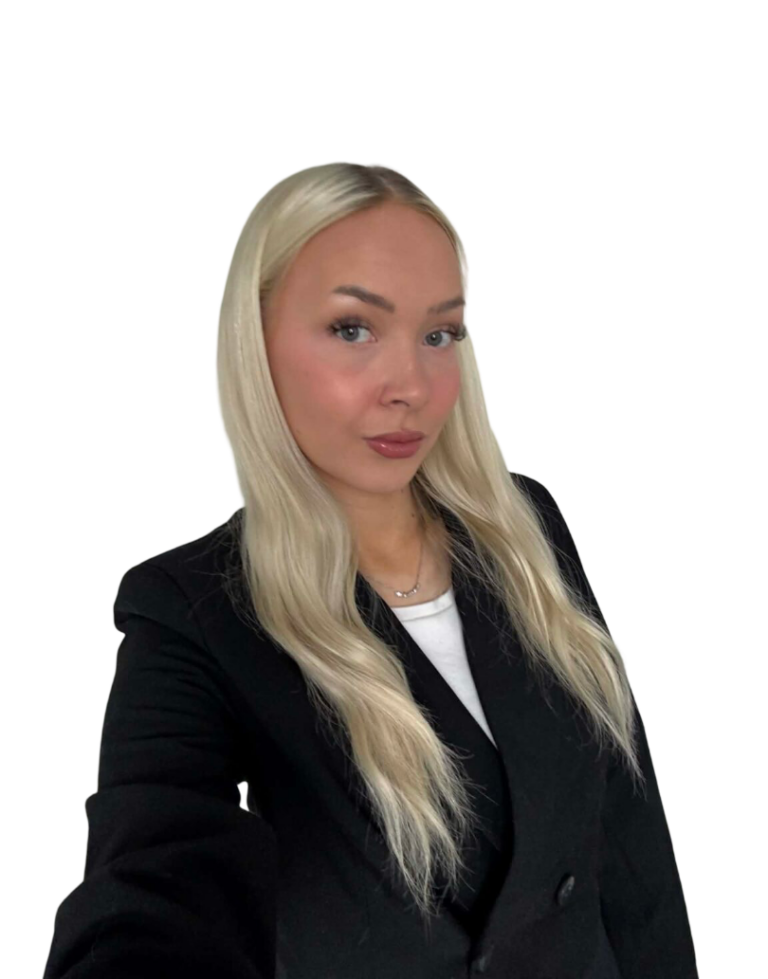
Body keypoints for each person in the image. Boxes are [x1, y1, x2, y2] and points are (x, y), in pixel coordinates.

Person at [43, 161, 698, 978]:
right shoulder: (194, 611)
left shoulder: (523, 529)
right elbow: (154, 872)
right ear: (257, 341)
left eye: (440, 334)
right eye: (353, 329)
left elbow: (630, 851)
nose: (410, 387)